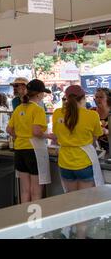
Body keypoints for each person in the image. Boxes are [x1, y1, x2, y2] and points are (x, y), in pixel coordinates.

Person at [52, 85, 104, 238]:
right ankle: (80, 234)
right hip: (84, 161)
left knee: (71, 200)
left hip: (65, 163)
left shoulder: (57, 113)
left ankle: (71, 231)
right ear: (83, 98)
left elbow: (56, 135)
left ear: (66, 99)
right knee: (83, 203)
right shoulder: (91, 115)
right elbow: (95, 137)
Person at [6, 79, 53, 203]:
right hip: (34, 151)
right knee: (36, 192)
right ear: (38, 94)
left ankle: (25, 219)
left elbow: (9, 129)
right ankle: (35, 221)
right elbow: (36, 132)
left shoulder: (18, 109)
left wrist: (20, 136)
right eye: (43, 93)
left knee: (24, 190)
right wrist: (50, 136)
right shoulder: (38, 110)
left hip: (20, 150)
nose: (44, 95)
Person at [91, 88, 110, 152]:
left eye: (101, 97)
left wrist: (107, 132)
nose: (98, 99)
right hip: (93, 150)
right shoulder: (90, 112)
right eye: (96, 97)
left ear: (108, 98)